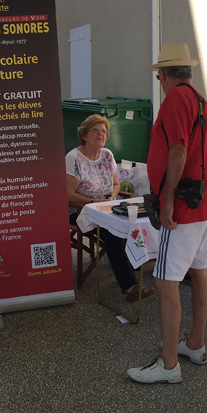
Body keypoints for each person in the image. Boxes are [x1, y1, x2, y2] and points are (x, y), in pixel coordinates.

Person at [127, 43, 207, 384]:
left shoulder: (175, 100)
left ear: (162, 75)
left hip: (182, 210)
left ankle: (168, 365)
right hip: (204, 206)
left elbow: (178, 150)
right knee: (201, 271)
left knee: (165, 281)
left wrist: (166, 201)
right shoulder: (201, 102)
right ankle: (194, 344)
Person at [66, 114, 155, 301]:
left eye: (104, 131)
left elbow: (116, 185)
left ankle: (136, 262)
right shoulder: (74, 158)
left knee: (136, 222)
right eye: (96, 130)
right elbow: (68, 194)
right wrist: (92, 203)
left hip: (108, 207)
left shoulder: (107, 155)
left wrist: (111, 197)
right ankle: (130, 287)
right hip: (82, 211)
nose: (101, 134)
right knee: (115, 234)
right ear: (84, 135)